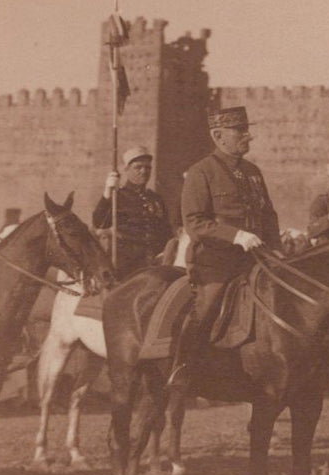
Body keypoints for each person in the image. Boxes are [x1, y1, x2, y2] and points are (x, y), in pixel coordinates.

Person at [171, 106, 281, 388]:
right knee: (206, 307)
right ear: (219, 136)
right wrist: (235, 236)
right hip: (216, 262)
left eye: (246, 130)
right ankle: (182, 367)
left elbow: (268, 215)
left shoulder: (253, 172)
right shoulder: (201, 172)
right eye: (240, 131)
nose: (248, 136)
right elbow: (195, 222)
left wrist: (277, 249)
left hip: (256, 259)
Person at [92, 145, 172, 279]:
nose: (143, 171)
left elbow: (166, 231)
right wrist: (107, 194)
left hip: (154, 264)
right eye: (138, 167)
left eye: (147, 168)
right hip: (125, 267)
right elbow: (100, 223)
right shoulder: (118, 197)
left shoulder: (155, 199)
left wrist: (164, 253)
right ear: (127, 170)